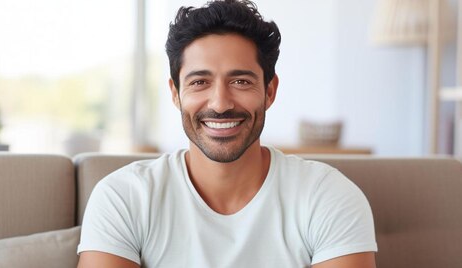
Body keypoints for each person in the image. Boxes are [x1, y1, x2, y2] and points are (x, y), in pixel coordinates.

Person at [77, 0, 377, 267]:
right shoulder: (124, 197)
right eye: (199, 82)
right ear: (176, 93)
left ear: (269, 91)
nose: (220, 104)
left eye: (241, 82)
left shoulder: (328, 196)